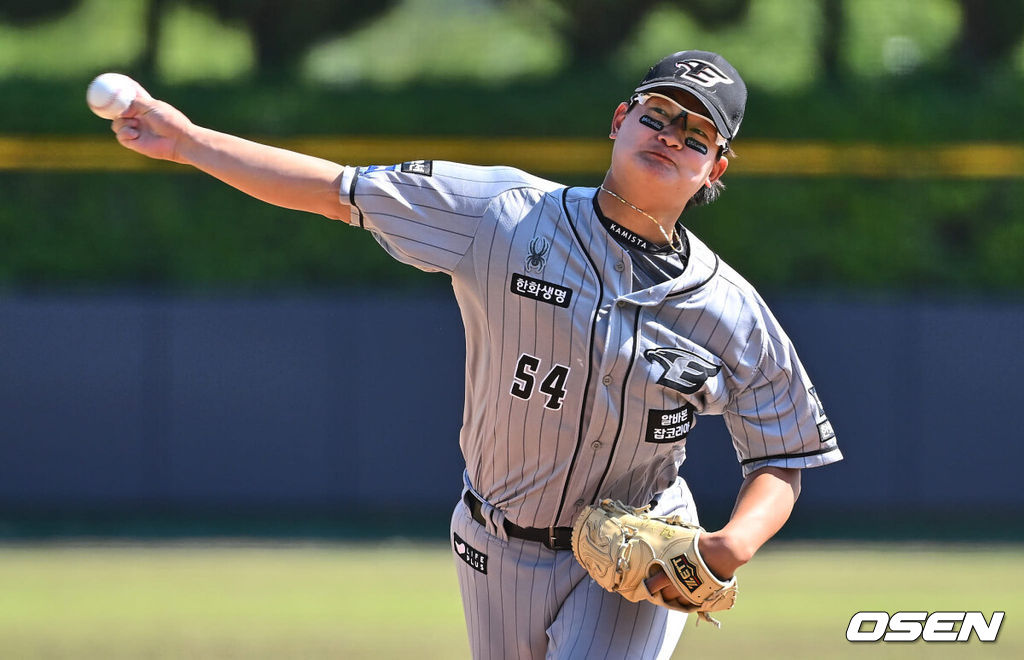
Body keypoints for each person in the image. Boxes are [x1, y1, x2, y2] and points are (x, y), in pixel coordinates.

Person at [110, 49, 842, 659]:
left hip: (632, 560)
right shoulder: (501, 215)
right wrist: (184, 141)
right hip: (493, 542)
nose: (669, 135)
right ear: (620, 122)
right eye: (657, 114)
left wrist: (729, 546)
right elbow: (336, 192)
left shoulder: (729, 308)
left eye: (695, 135)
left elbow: (784, 452)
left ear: (715, 168)